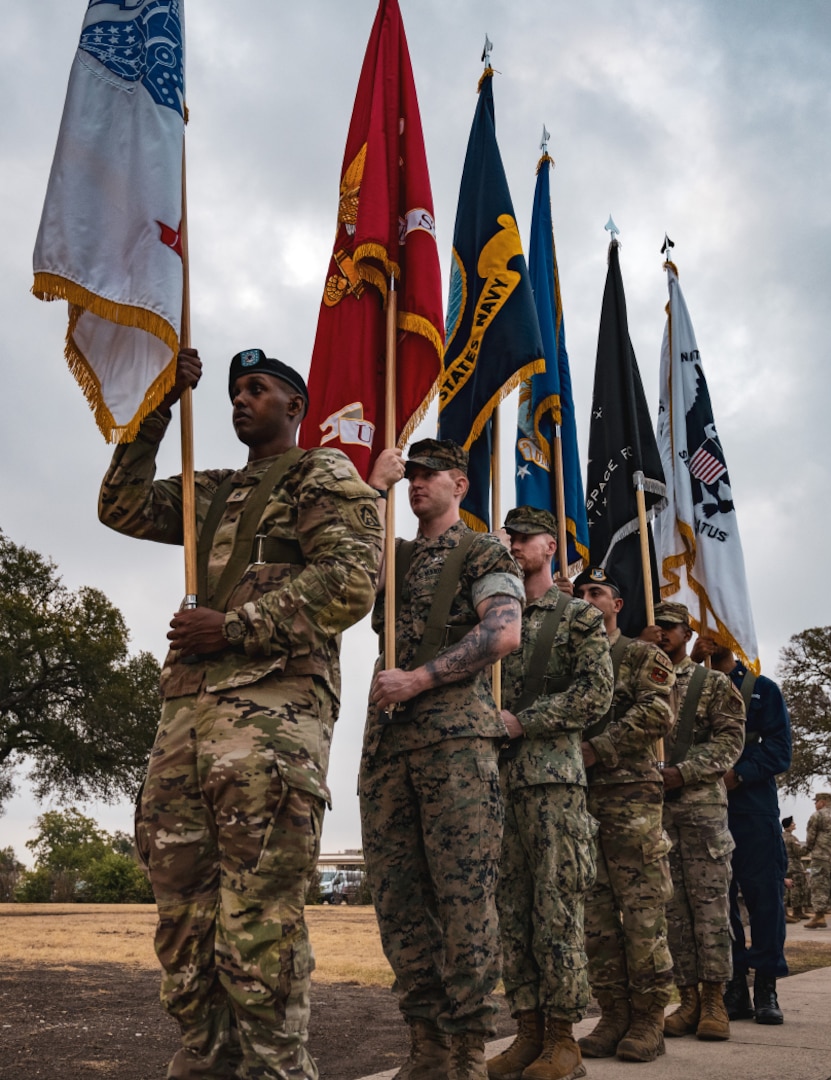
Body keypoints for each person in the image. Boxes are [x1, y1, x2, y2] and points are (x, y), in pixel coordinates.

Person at [99, 346, 394, 1079]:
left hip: (271, 719)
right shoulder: (214, 489)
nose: (240, 399)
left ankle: (275, 1070)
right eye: (234, 390)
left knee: (259, 921)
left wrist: (233, 628)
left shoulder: (324, 476)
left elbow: (353, 583)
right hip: (187, 720)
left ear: (295, 407)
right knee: (183, 916)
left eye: (257, 389)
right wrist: (157, 407)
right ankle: (204, 1062)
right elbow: (121, 506)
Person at [360, 439, 524, 1080]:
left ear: (460, 482)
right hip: (388, 748)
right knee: (398, 902)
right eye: (412, 474)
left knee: (463, 900)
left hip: (455, 746)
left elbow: (503, 631)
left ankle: (466, 1050)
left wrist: (421, 679)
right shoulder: (393, 556)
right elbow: (347, 566)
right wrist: (375, 490)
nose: (417, 483)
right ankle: (425, 1041)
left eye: (430, 474)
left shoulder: (483, 550)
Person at [487, 508, 614, 1080]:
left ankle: (565, 1038)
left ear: (550, 545)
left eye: (522, 537)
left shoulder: (578, 617)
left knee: (557, 908)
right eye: (506, 536)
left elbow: (596, 695)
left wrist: (526, 721)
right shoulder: (493, 615)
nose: (512, 544)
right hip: (497, 782)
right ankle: (528, 1030)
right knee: (512, 912)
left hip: (552, 781)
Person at [573, 566, 676, 1063]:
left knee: (641, 914)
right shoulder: (567, 658)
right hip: (579, 799)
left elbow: (658, 711)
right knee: (595, 919)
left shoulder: (641, 655)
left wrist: (601, 747)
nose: (587, 599)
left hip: (630, 797)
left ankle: (649, 1018)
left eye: (597, 593)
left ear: (618, 604)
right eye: (580, 592)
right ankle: (612, 1013)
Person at [652, 603, 746, 1043]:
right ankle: (686, 998)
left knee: (710, 909)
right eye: (657, 627)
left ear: (687, 635)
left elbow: (731, 742)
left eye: (670, 627)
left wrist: (683, 771)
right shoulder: (641, 683)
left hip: (701, 809)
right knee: (672, 911)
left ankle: (714, 1000)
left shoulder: (713, 684)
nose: (662, 634)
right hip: (656, 812)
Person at [691, 635, 792, 1027]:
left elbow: (780, 750)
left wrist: (740, 774)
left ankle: (766, 985)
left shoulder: (762, 690)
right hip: (703, 808)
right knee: (719, 902)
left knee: (764, 897)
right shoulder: (690, 686)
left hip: (751, 808)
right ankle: (734, 986)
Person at [802, 793, 831, 930]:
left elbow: (811, 836)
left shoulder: (818, 815)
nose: (815, 805)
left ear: (821, 802)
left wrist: (806, 850)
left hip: (821, 857)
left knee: (819, 885)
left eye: (816, 802)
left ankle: (819, 916)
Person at [782, 816, 811, 921]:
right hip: (794, 866)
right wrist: (808, 848)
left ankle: (784, 912)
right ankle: (797, 911)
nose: (794, 825)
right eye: (793, 823)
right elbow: (799, 853)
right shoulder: (792, 839)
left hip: (784, 866)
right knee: (797, 889)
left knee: (784, 890)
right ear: (789, 825)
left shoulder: (780, 837)